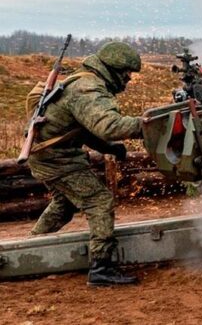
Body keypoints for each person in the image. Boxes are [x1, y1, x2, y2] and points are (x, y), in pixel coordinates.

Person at [27, 41, 143, 286]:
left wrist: (109, 148)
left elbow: (82, 129)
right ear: (112, 70)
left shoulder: (84, 80)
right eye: (126, 74)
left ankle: (28, 249)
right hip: (56, 160)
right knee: (99, 200)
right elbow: (109, 126)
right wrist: (147, 124)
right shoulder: (87, 88)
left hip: (49, 155)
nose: (129, 79)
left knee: (65, 204)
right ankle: (101, 268)